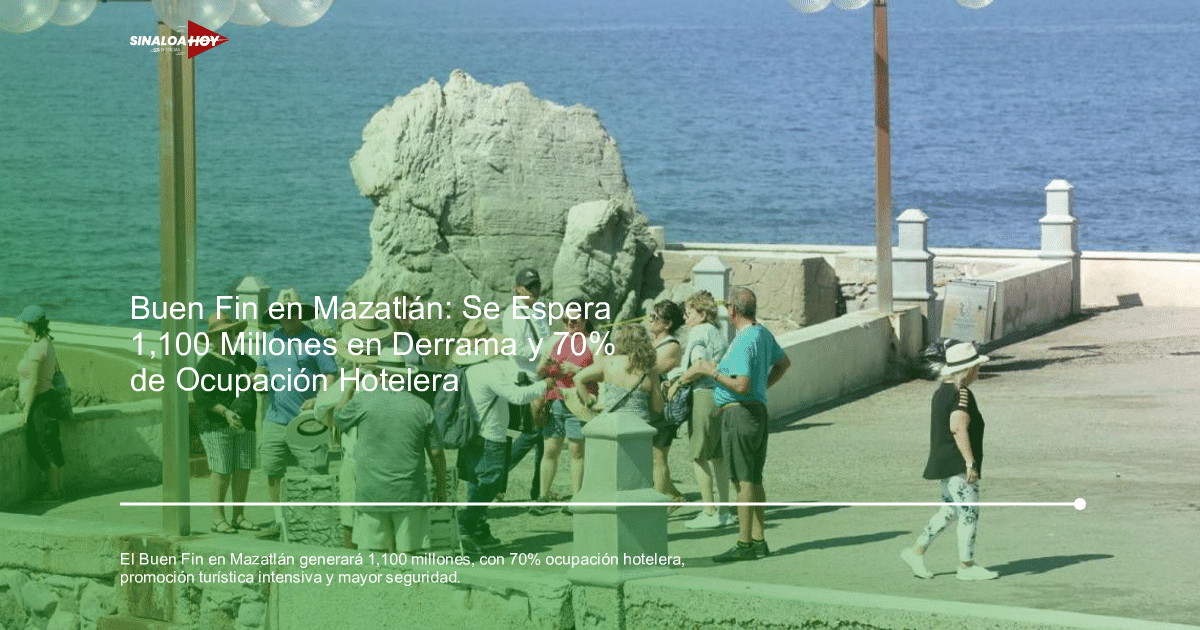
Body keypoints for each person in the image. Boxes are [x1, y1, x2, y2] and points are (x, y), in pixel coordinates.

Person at [685, 287, 791, 562]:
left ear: (732, 310)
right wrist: (762, 388)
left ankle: (744, 543)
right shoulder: (763, 334)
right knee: (754, 478)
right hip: (756, 412)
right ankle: (758, 540)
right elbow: (783, 363)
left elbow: (740, 384)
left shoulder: (744, 340)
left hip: (740, 415)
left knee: (742, 480)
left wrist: (713, 372)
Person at [900, 342, 1000, 581]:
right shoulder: (961, 393)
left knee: (949, 511)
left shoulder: (941, 392)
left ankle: (916, 551)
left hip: (944, 463)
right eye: (976, 367)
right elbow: (958, 427)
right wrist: (969, 463)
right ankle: (966, 566)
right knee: (968, 514)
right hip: (957, 465)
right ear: (967, 370)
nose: (978, 372)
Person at [334, 344, 446, 554]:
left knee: (375, 559)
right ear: (403, 376)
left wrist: (350, 387)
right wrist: (441, 487)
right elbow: (436, 453)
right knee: (410, 558)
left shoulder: (363, 400)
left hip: (371, 493)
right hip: (410, 495)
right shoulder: (421, 407)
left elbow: (338, 418)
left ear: (378, 374)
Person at [454, 319, 554, 551]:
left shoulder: (466, 370)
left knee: (476, 482)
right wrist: (545, 385)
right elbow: (517, 397)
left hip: (471, 434)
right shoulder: (488, 370)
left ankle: (477, 530)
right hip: (490, 436)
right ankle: (466, 524)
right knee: (491, 483)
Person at [256, 289, 338, 538]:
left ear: (300, 313)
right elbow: (262, 366)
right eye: (283, 312)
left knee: (316, 471)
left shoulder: (316, 340)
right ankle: (280, 521)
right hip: (274, 417)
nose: (288, 316)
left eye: (293, 312)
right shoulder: (270, 338)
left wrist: (319, 400)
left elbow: (330, 373)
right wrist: (259, 378)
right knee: (272, 469)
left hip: (307, 420)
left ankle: (321, 523)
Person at [193, 311, 260, 534]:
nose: (225, 337)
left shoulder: (244, 360)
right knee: (221, 471)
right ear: (212, 338)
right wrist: (225, 412)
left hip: (245, 424)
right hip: (216, 426)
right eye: (220, 334)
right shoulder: (206, 364)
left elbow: (261, 379)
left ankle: (238, 516)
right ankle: (217, 518)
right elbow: (201, 396)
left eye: (229, 332)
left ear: (234, 333)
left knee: (242, 469)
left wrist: (258, 379)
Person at [529, 299, 597, 515]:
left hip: (579, 400)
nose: (569, 324)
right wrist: (545, 364)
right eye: (565, 319)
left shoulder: (594, 341)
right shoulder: (555, 341)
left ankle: (577, 497)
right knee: (550, 449)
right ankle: (543, 496)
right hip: (556, 398)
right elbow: (539, 372)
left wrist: (577, 369)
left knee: (577, 451)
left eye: (574, 320)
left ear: (585, 320)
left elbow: (603, 371)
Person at [674, 291, 733, 529]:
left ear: (701, 314)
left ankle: (709, 511)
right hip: (720, 394)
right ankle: (725, 510)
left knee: (699, 455)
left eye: (689, 314)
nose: (686, 320)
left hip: (703, 394)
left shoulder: (699, 332)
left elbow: (700, 364)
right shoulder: (717, 332)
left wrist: (678, 382)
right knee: (717, 455)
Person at [502, 268, 551, 501]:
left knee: (543, 436)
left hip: (541, 378)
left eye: (537, 286)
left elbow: (545, 337)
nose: (534, 291)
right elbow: (517, 349)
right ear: (517, 289)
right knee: (533, 434)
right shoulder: (513, 314)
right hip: (526, 380)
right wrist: (546, 352)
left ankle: (539, 491)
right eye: (529, 287)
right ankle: (499, 475)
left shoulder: (539, 311)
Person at [574, 324, 664, 443]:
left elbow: (578, 378)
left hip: (611, 426)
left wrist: (590, 403)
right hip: (639, 429)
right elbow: (658, 407)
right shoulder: (649, 369)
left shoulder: (608, 362)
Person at [15, 305, 67, 501]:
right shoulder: (46, 342)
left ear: (29, 325)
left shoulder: (38, 348)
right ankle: (59, 489)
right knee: (52, 445)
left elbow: (35, 382)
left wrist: (27, 410)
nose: (21, 325)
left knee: (45, 446)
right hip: (48, 400)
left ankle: (54, 491)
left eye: (23, 323)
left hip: (41, 404)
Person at [646, 300, 686, 509]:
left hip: (663, 408)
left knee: (658, 458)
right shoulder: (653, 343)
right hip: (651, 407)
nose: (650, 321)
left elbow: (650, 370)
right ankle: (675, 495)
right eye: (650, 316)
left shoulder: (671, 346)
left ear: (668, 323)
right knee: (654, 457)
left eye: (655, 318)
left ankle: (658, 504)